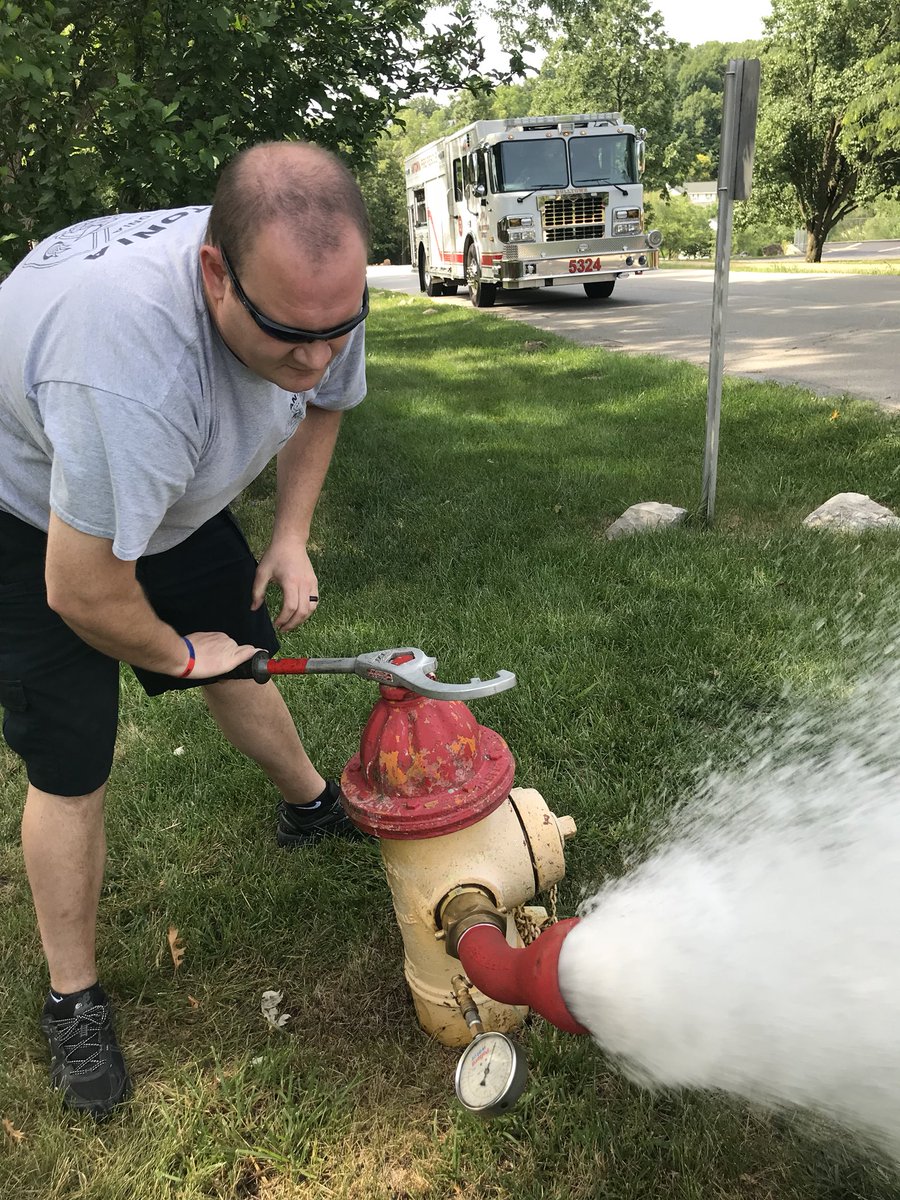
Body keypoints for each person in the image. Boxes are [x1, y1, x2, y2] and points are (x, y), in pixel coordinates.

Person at [0, 141, 371, 1120]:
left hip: (162, 487)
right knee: (71, 754)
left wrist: (290, 537)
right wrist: (174, 653)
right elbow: (83, 591)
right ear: (216, 276)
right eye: (293, 333)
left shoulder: (317, 287)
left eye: (340, 328)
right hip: (31, 510)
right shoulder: (130, 371)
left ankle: (312, 807)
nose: (317, 357)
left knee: (240, 653)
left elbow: (325, 398)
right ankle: (72, 998)